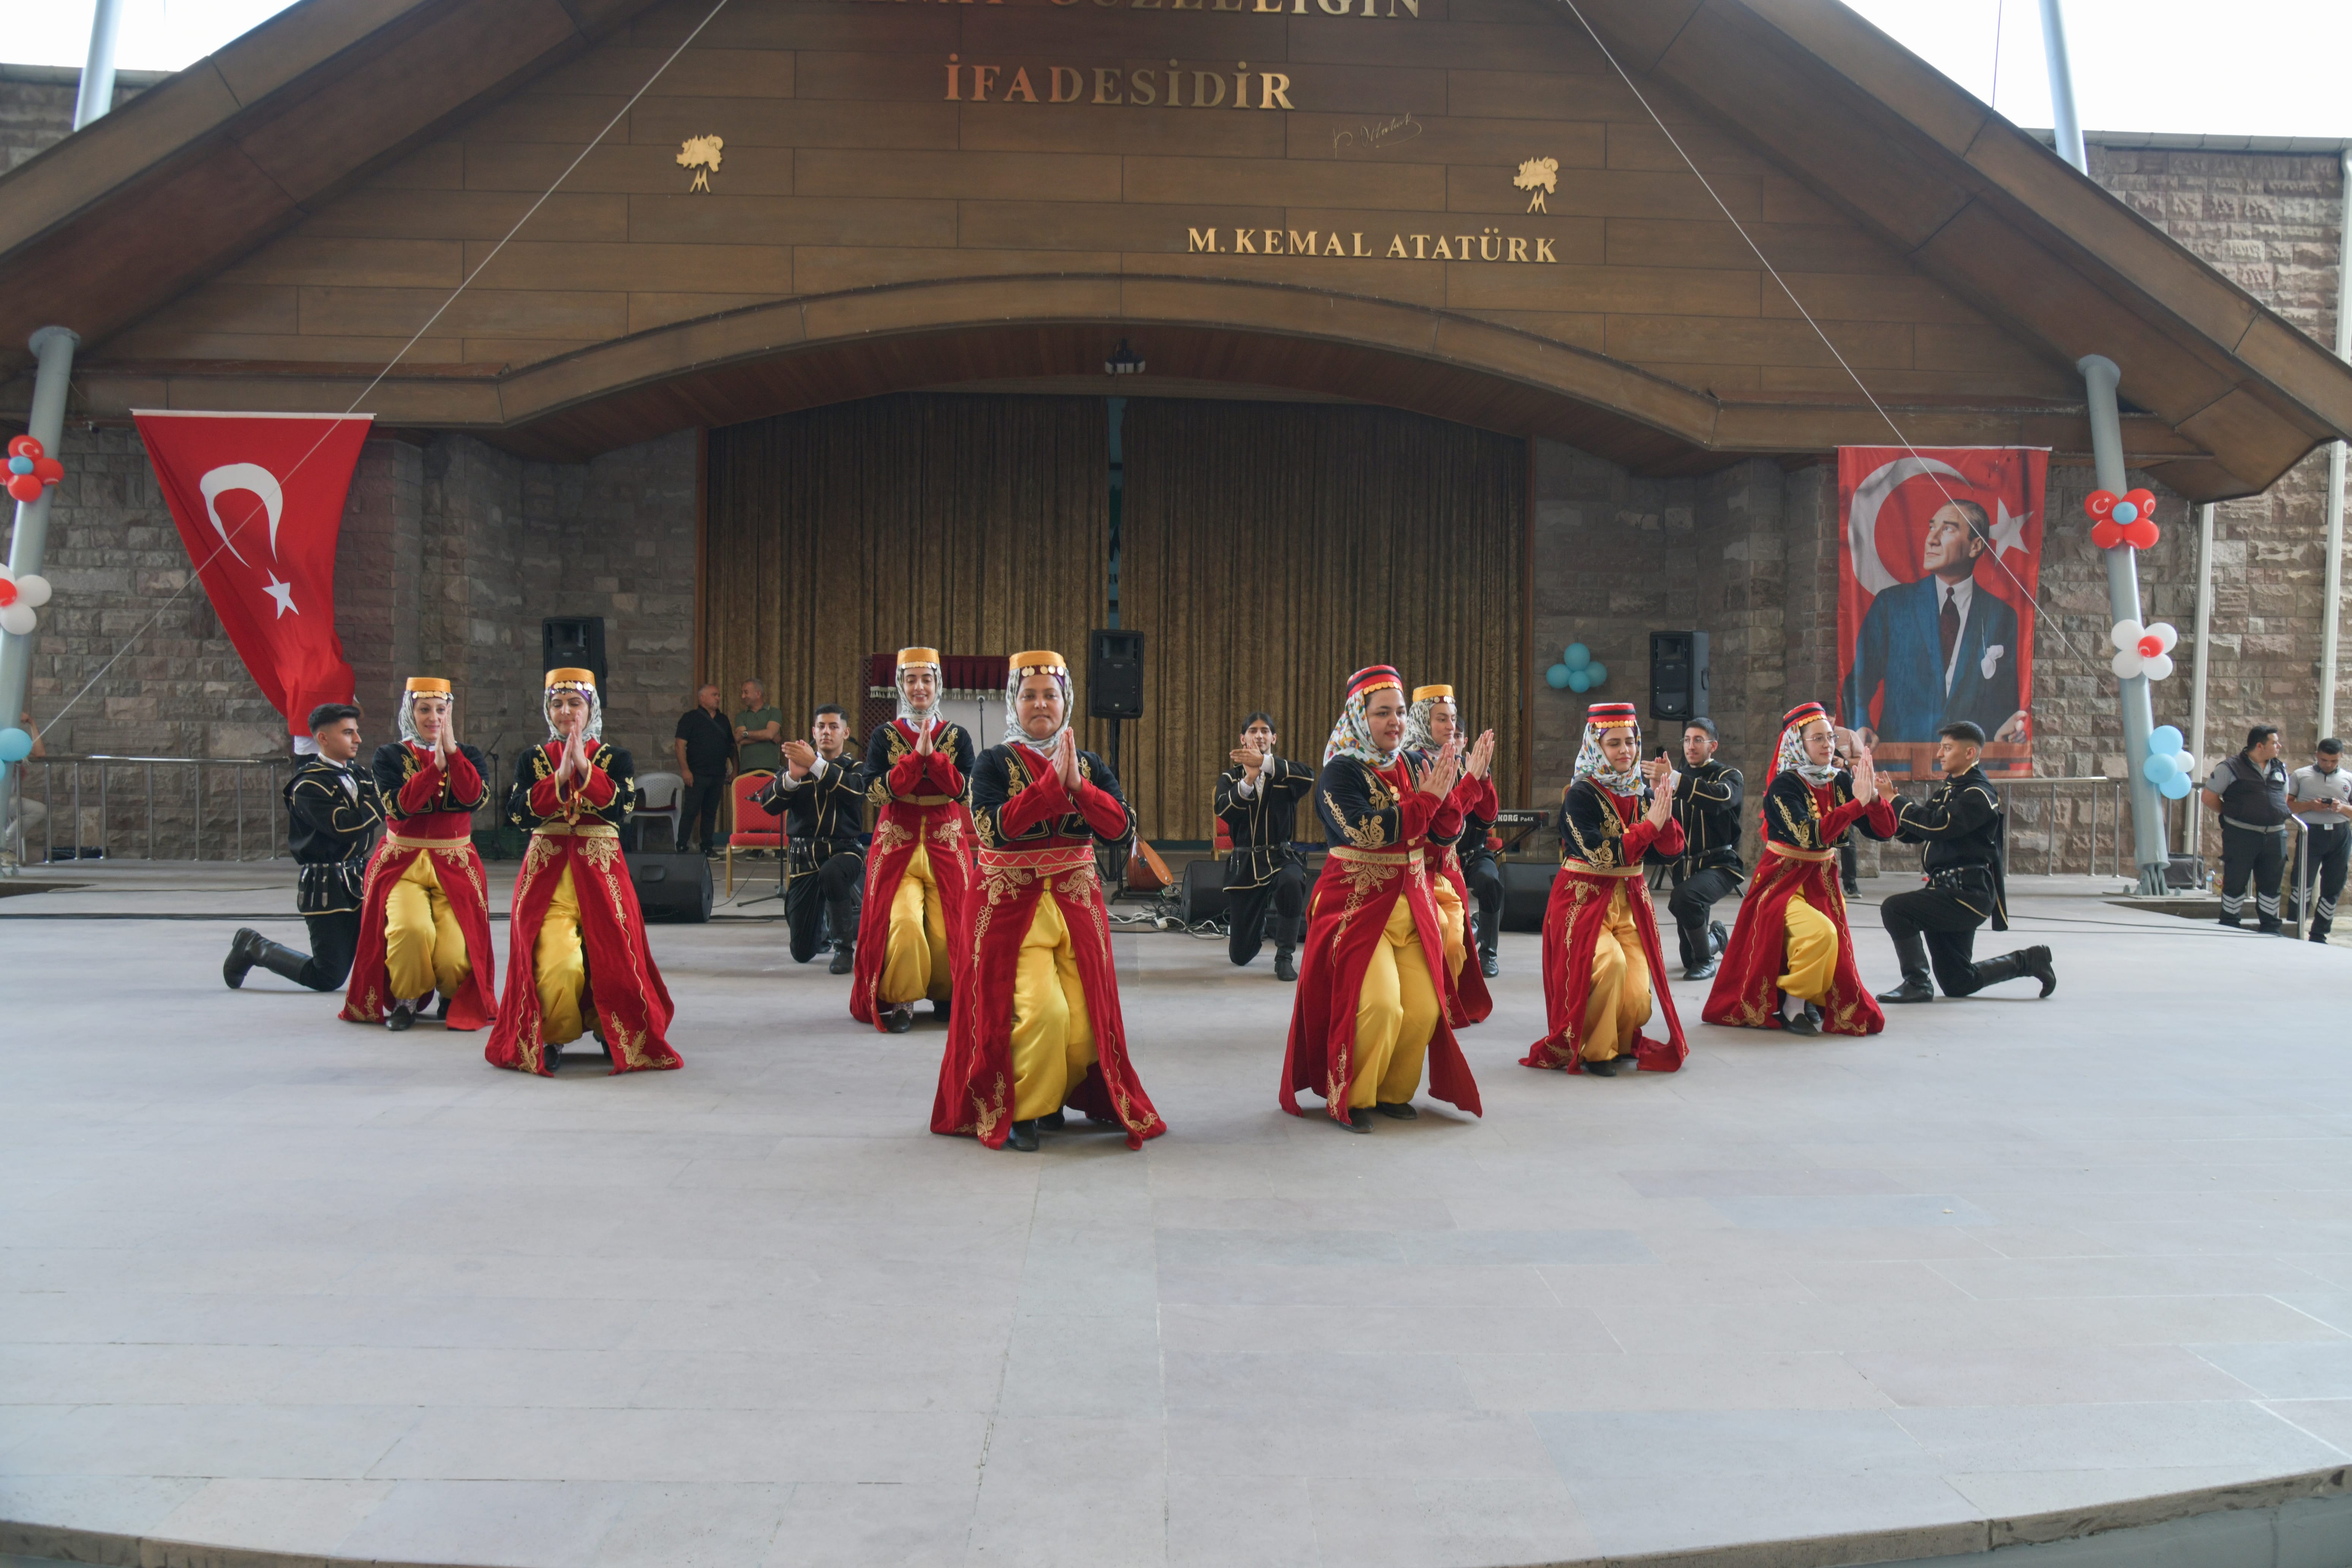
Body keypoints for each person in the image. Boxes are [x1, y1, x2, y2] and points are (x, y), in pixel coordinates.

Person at [931, 651, 1163, 1153]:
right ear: (1014, 703)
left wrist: (1081, 787)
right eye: (1030, 695)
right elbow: (993, 829)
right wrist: (1049, 790)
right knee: (1043, 1013)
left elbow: (1121, 828)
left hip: (1077, 904)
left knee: (1085, 1026)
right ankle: (1026, 1110)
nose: (1041, 704)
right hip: (1012, 906)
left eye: (1050, 695)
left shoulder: (1090, 764)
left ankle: (1055, 1093)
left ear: (1067, 703)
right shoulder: (993, 763)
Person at [1279, 666, 1481, 1132]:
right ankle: (1352, 1096)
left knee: (1425, 1008)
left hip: (1413, 903)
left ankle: (1393, 1092)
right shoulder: (1339, 773)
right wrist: (1429, 803)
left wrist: (1458, 791)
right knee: (1381, 1005)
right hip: (1357, 905)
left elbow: (1443, 831)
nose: (1394, 721)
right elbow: (1367, 831)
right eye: (1382, 713)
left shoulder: (1414, 765)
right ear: (1359, 717)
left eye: (1400, 712)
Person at [485, 668, 680, 1076]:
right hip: (547, 873)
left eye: (575, 703)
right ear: (547, 710)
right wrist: (557, 780)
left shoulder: (615, 757)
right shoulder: (532, 760)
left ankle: (611, 1031)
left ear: (590, 708)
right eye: (557, 704)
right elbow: (519, 815)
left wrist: (586, 772)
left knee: (612, 959)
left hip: (601, 871)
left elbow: (620, 809)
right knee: (559, 961)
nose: (566, 712)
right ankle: (553, 1035)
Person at [1703, 702, 1897, 1037]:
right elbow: (1810, 835)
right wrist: (1856, 804)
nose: (1827, 745)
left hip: (1822, 880)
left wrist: (1876, 801)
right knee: (1820, 934)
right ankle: (1793, 1008)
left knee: (1821, 938)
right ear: (1798, 743)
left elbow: (1883, 831)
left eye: (1831, 737)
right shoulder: (1785, 787)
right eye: (1817, 738)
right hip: (1783, 879)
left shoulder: (1839, 780)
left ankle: (1804, 999)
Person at [1524, 702, 1687, 1076]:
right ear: (1597, 748)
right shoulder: (1580, 795)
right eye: (1614, 744)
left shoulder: (1643, 793)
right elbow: (1600, 854)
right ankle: (1595, 1050)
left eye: (1630, 742)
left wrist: (1665, 806)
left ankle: (1618, 1037)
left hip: (1630, 899)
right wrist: (1648, 826)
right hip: (1584, 898)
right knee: (1608, 965)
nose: (1625, 751)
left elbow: (1673, 850)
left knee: (1637, 994)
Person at [337, 677, 499, 1031]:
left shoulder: (469, 755)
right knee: (411, 930)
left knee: (456, 950)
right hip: (403, 862)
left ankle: (452, 995)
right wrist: (435, 769)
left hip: (455, 862)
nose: (433, 718)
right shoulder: (388, 756)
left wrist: (452, 756)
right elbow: (399, 807)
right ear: (410, 712)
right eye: (424, 709)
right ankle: (406, 1001)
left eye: (441, 710)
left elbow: (475, 799)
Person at [1873, 720, 2056, 1004]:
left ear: (1970, 753)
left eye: (1947, 748)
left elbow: (1939, 825)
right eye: (1941, 748)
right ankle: (2031, 960)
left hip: (1966, 894)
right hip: (1946, 891)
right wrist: (1884, 806)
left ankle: (1917, 982)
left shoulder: (1979, 794)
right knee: (1959, 982)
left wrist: (1896, 801)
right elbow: (1915, 832)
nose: (1940, 754)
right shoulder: (1953, 790)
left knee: (1896, 909)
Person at [851, 647, 978, 1034]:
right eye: (911, 680)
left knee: (949, 927)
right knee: (903, 922)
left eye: (927, 680)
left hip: (946, 838)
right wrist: (911, 763)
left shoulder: (956, 736)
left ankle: (947, 993)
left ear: (938, 684)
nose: (919, 687)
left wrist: (935, 760)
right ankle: (902, 999)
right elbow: (874, 792)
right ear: (900, 686)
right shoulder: (884, 735)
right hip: (897, 840)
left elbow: (968, 792)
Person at [224, 703, 384, 993]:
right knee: (328, 977)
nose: (358, 740)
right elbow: (344, 826)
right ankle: (254, 947)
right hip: (326, 886)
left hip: (363, 878)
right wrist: (386, 798)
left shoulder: (360, 775)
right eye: (349, 733)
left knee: (387, 947)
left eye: (357, 732)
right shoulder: (308, 785)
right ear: (323, 738)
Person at [1842, 498, 2027, 745]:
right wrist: (1861, 726)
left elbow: (2004, 702)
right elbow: (1857, 683)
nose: (1932, 539)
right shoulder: (1892, 605)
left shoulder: (2001, 616)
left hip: (1970, 765)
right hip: (1901, 764)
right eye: (1932, 528)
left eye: (1948, 529)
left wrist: (2005, 734)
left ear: (1976, 547)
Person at [1402, 683, 1495, 1027]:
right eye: (1442, 719)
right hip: (1415, 872)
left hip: (1448, 869)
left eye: (1454, 719)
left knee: (1455, 943)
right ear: (1422, 722)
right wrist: (1470, 780)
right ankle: (1429, 1009)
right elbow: (1443, 822)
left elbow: (1485, 817)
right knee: (1437, 936)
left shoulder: (1452, 760)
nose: (1451, 728)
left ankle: (1443, 1005)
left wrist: (1481, 776)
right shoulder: (1408, 764)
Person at [752, 703, 868, 972]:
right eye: (821, 727)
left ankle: (843, 948)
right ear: (814, 732)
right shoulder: (796, 767)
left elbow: (855, 793)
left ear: (846, 732)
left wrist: (815, 765)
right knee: (803, 953)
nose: (826, 732)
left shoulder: (857, 767)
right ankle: (825, 931)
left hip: (845, 852)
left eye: (833, 727)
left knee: (832, 874)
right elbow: (769, 806)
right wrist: (793, 776)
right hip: (803, 859)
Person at [1214, 711, 1314, 980]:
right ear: (1243, 738)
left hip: (1281, 858)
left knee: (1292, 882)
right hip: (1245, 865)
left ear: (1274, 738)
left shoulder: (1285, 773)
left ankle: (1285, 956)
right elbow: (1223, 810)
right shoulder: (1230, 777)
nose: (1259, 735)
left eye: (1265, 731)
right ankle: (1258, 926)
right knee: (1240, 956)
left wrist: (1267, 764)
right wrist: (1248, 779)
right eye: (1253, 731)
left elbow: (1309, 777)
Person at [1664, 716, 1743, 981]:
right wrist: (1655, 792)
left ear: (1713, 746)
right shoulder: (1677, 778)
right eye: (1687, 740)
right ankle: (1717, 937)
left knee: (1684, 898)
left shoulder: (1730, 776)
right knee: (1688, 958)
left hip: (1719, 864)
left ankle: (1707, 961)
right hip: (1684, 868)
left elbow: (1721, 798)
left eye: (1698, 740)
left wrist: (1676, 781)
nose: (1691, 746)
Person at [2201, 725, 2291, 933]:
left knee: (2271, 885)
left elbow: (2282, 799)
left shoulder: (2280, 768)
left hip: (2275, 836)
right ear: (2260, 746)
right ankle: (2230, 924)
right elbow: (2209, 798)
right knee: (2236, 882)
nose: (2279, 746)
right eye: (2274, 743)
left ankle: (2270, 927)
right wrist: (2231, 814)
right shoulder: (2230, 768)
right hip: (2242, 835)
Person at [2288, 738, 2351, 942]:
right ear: (2317, 755)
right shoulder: (2301, 775)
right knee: (2302, 883)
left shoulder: (2349, 778)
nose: (2329, 765)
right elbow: (2287, 806)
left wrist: (2341, 808)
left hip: (2340, 834)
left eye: (2333, 761)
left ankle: (2320, 934)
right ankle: (2293, 929)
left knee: (2333, 886)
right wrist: (2310, 806)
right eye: (2324, 760)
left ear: (2341, 757)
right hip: (2311, 834)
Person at [672, 683, 737, 856]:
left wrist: (735, 771)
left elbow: (732, 747)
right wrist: (686, 771)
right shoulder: (690, 718)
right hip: (696, 774)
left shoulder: (723, 720)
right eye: (714, 695)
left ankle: (707, 847)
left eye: (718, 695)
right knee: (691, 810)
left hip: (718, 775)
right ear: (702, 698)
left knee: (710, 813)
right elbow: (680, 746)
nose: (718, 698)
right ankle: (682, 845)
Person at [734, 678, 783, 777]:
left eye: (746, 693)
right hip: (747, 769)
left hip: (771, 768)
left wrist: (746, 734)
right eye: (742, 693)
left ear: (758, 694)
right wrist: (767, 738)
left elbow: (769, 734)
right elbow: (739, 739)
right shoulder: (741, 716)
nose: (743, 696)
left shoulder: (774, 712)